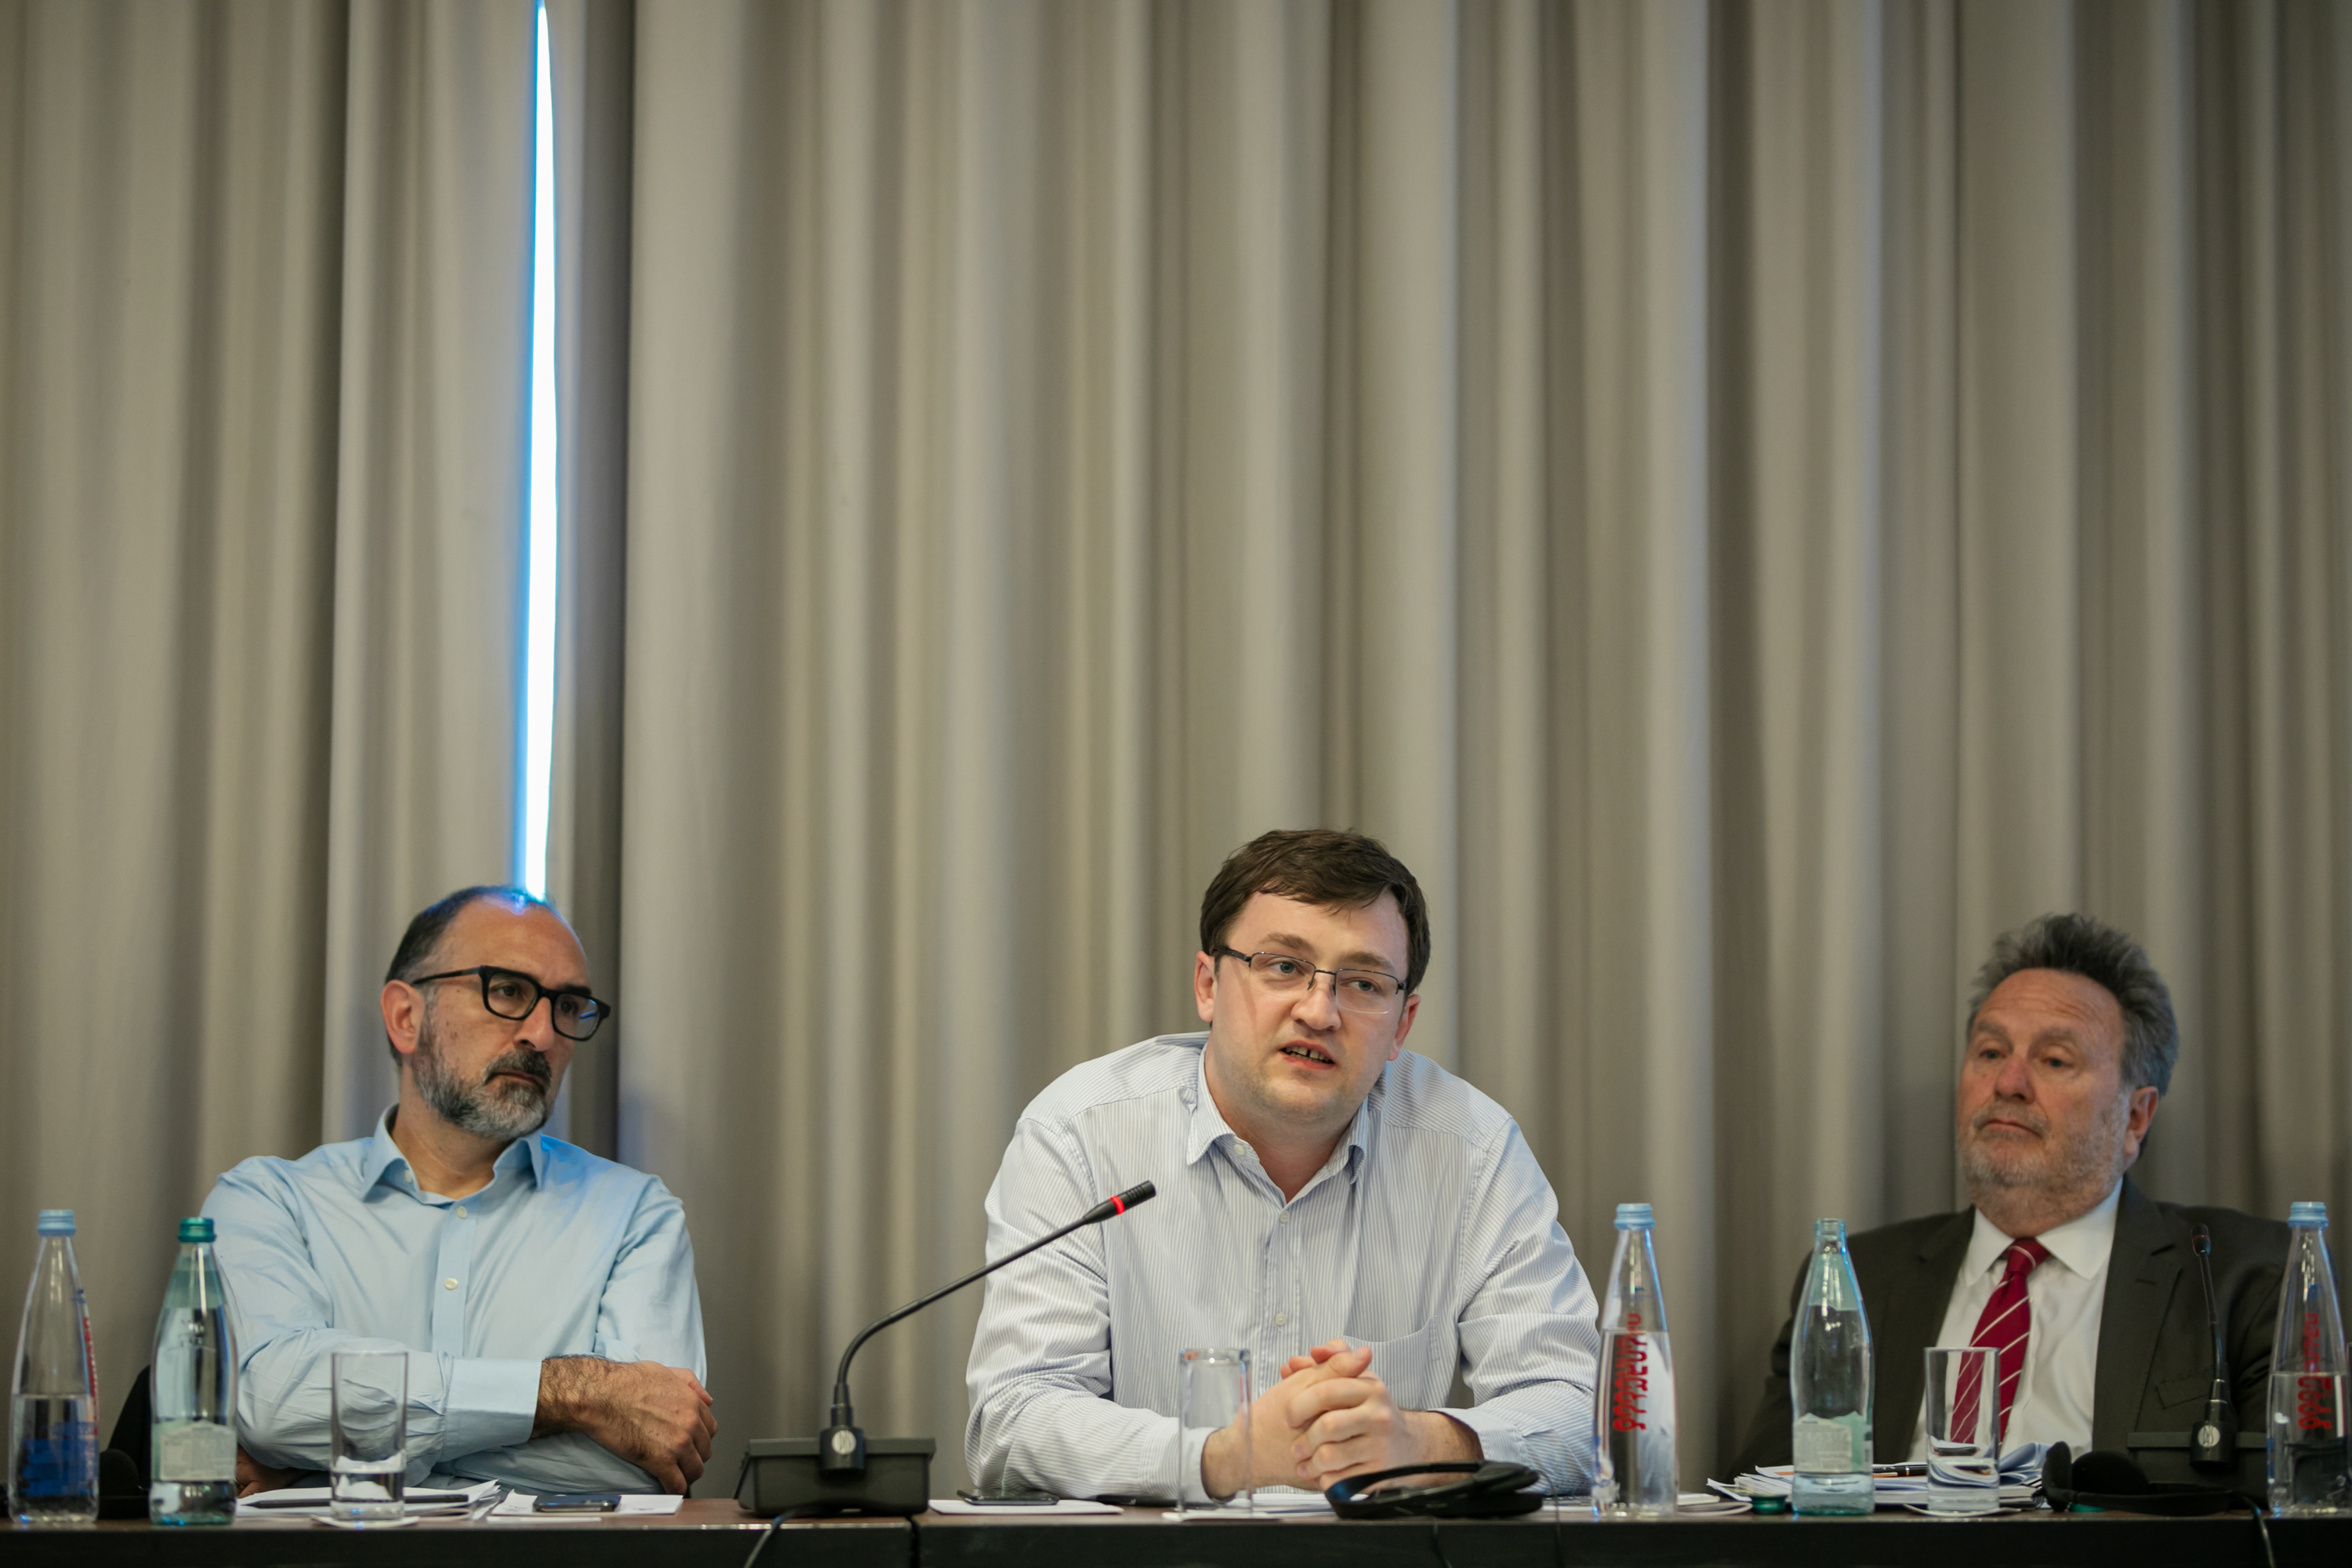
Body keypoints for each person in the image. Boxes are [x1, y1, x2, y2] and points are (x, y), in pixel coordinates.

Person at [965, 829, 1600, 1501]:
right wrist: (1222, 1459)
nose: (1319, 1011)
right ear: (1208, 985)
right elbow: (1014, 1418)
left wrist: (1425, 1446)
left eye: (1363, 983)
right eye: (1284, 967)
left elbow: (1580, 1408)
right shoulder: (1079, 1135)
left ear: (1401, 1025)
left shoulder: (1472, 1150)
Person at [205, 886, 716, 1495]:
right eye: (508, 991)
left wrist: (329, 1456)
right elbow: (275, 1403)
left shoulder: (635, 1215)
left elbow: (642, 1459)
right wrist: (580, 1394)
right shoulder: (267, 1202)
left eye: (567, 1006)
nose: (542, 1036)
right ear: (406, 1017)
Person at [1731, 913, 2289, 1471]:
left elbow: (2293, 1499)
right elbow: (1766, 1499)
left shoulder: (2243, 1279)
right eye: (1992, 1053)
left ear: (2135, 1118)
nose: (2008, 1084)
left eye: (2055, 1060)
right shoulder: (1858, 1280)